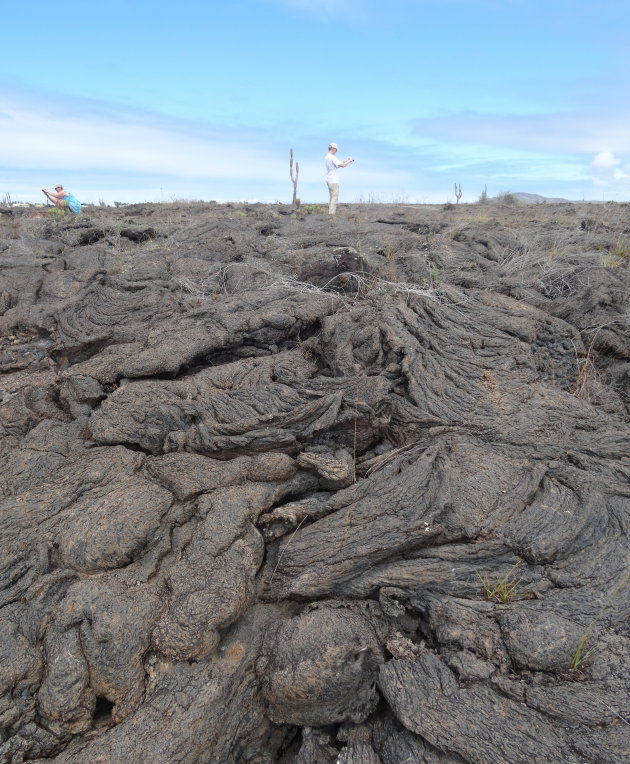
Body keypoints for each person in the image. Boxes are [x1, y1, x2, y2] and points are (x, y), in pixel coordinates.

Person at [325, 142, 354, 215]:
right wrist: (349, 161)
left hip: (329, 179)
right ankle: (331, 214)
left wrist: (345, 161)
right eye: (336, 149)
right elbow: (343, 165)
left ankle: (330, 213)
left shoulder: (327, 157)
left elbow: (337, 165)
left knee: (331, 197)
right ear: (333, 148)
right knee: (334, 197)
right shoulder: (332, 157)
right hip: (333, 180)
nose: (336, 151)